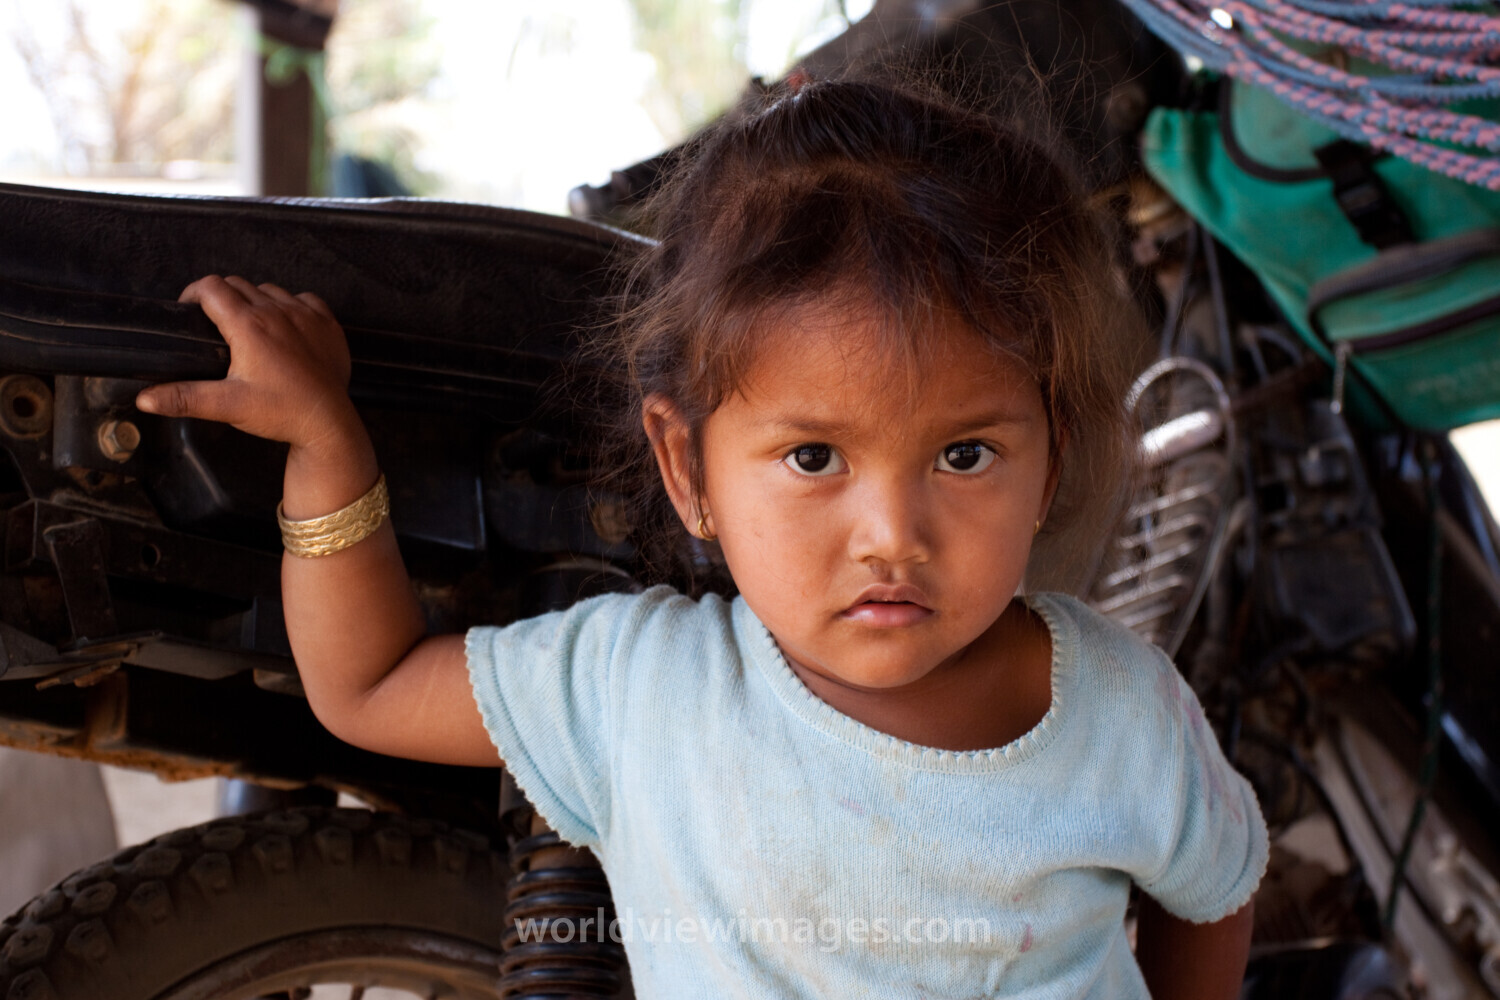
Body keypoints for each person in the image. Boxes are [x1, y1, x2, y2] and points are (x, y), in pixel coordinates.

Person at [134, 76, 1267, 999]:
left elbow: (1215, 889)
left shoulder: (1124, 712)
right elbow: (370, 683)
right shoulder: (642, 688)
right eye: (815, 458)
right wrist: (327, 447)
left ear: (1052, 458)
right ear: (688, 470)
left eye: (964, 456)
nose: (891, 535)